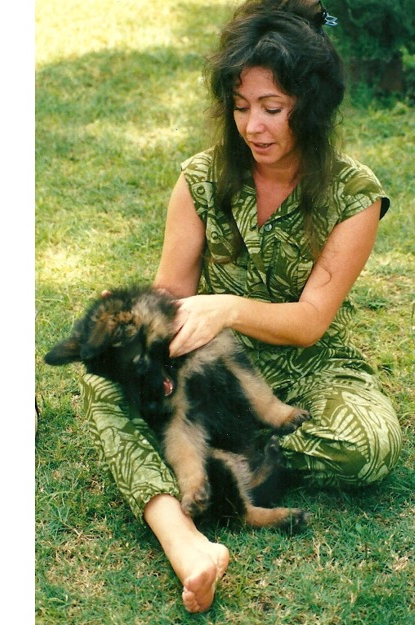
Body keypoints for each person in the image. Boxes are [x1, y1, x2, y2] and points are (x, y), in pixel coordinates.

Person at [79, 0, 402, 613]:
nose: (253, 125)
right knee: (101, 385)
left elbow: (310, 321)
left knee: (372, 446)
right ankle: (184, 538)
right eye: (241, 107)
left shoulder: (355, 195)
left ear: (312, 105)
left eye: (272, 108)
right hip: (209, 365)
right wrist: (136, 321)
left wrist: (227, 306)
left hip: (308, 365)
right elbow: (173, 293)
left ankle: (211, 461)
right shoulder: (200, 179)